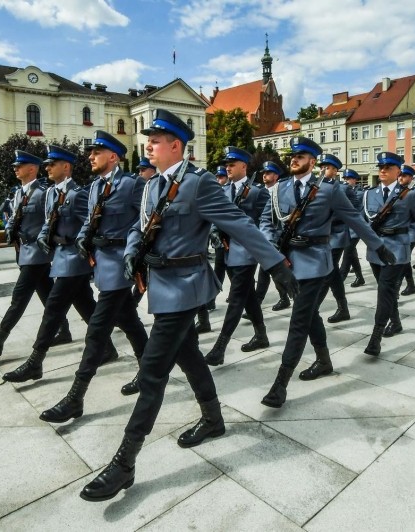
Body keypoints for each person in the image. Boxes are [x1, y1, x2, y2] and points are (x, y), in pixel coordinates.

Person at [79, 109, 297, 502]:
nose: (148, 144)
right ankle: (213, 420)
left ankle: (125, 462)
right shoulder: (150, 186)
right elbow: (138, 227)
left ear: (176, 145)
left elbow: (240, 224)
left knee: (152, 372)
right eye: (149, 139)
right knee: (189, 355)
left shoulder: (198, 185)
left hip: (186, 287)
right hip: (161, 286)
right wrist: (132, 255)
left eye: (156, 140)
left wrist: (278, 265)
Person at [258, 137, 395, 408]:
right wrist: (272, 245)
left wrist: (378, 246)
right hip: (287, 263)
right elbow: (266, 221)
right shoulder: (278, 189)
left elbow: (355, 219)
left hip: (315, 263)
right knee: (308, 316)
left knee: (298, 320)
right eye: (292, 156)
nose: (294, 160)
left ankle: (280, 384)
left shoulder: (329, 190)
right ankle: (324, 361)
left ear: (312, 161)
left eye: (301, 156)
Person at [40, 131, 149, 423]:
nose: (90, 157)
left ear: (113, 157)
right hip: (101, 264)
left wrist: (134, 253)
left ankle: (75, 398)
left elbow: (145, 220)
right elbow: (89, 219)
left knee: (97, 330)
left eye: (96, 153)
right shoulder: (94, 188)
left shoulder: (133, 185)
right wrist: (82, 238)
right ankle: (150, 371)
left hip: (119, 264)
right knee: (129, 321)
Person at [2, 145, 118, 383]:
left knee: (53, 308)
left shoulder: (77, 194)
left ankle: (36, 361)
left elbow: (91, 224)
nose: (47, 168)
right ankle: (107, 348)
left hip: (74, 260)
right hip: (62, 260)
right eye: (46, 165)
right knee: (87, 307)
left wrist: (88, 252)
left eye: (51, 164)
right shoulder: (54, 193)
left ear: (66, 167)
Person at [0, 150, 73, 358]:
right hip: (25, 252)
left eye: (19, 166)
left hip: (37, 253)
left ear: (32, 169)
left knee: (19, 298)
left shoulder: (43, 193)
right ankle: (64, 330)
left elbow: (52, 221)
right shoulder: (18, 193)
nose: (15, 169)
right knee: (49, 296)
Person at [362, 153, 415, 356]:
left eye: (388, 167)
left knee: (384, 291)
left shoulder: (409, 196)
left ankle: (376, 337)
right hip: (375, 249)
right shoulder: (369, 194)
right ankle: (397, 322)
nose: (383, 170)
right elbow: (360, 220)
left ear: (398, 171)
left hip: (397, 249)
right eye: (380, 166)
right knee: (389, 291)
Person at [205, 146, 272, 366]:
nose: (227, 168)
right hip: (227, 250)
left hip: (246, 252)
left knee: (236, 299)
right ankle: (261, 335)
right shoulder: (223, 191)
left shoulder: (257, 191)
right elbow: (216, 219)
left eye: (231, 164)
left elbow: (264, 222)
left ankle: (220, 347)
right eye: (226, 164)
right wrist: (215, 233)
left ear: (244, 166)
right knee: (248, 296)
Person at [314, 154, 354, 323]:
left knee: (326, 272)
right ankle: (343, 308)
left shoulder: (342, 189)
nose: (323, 170)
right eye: (321, 166)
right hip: (321, 236)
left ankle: (312, 307)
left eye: (327, 167)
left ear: (336, 171)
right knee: (333, 272)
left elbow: (352, 211)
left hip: (336, 234)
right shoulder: (315, 187)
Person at [195, 165, 230, 333]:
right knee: (219, 269)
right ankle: (210, 302)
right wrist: (213, 232)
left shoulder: (227, 192)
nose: (219, 180)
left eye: (221, 177)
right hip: (219, 241)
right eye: (217, 177)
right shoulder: (212, 193)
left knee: (232, 275)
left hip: (233, 242)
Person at [252, 161, 290, 311]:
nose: (264, 175)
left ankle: (257, 304)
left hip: (278, 238)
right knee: (268, 270)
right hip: (264, 236)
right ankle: (283, 298)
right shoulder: (260, 191)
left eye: (268, 173)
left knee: (266, 271)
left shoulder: (282, 191)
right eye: (264, 173)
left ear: (276, 175)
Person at [339, 169, 367, 287]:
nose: (346, 181)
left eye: (348, 179)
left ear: (355, 180)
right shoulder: (343, 190)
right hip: (346, 228)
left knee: (347, 253)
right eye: (344, 179)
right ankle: (360, 278)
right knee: (352, 254)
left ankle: (340, 279)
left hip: (355, 228)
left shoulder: (360, 193)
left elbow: (361, 211)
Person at [398, 165, 415, 296]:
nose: (400, 178)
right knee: (404, 260)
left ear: (411, 178)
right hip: (399, 231)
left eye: (404, 176)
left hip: (410, 230)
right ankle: (411, 285)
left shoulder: (414, 193)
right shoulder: (396, 191)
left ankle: (395, 290)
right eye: (399, 175)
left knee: (402, 260)